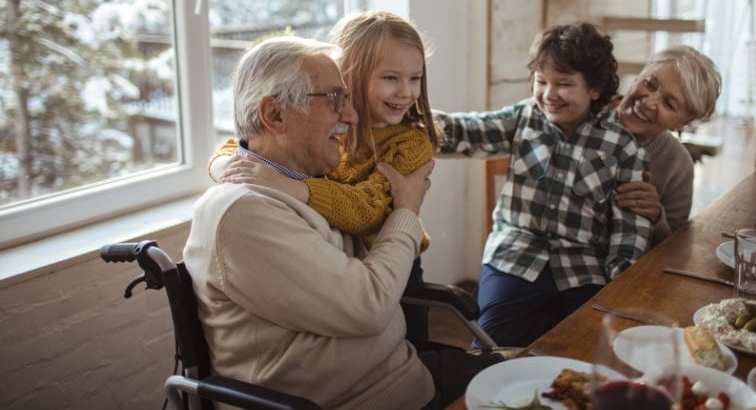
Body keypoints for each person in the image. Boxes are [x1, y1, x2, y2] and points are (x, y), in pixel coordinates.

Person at [184, 36, 497, 409]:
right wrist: (407, 209)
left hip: (401, 373)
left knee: (541, 375)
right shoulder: (243, 213)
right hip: (374, 397)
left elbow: (242, 147)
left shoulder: (302, 177)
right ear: (276, 115)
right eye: (335, 100)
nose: (351, 115)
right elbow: (369, 306)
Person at [209, 10, 439, 341]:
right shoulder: (329, 130)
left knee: (411, 347)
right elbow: (238, 146)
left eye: (415, 79)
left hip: (395, 266)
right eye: (391, 78)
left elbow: (367, 211)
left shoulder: (408, 145)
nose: (405, 92)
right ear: (352, 79)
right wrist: (226, 169)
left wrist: (293, 186)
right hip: (346, 265)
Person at [435, 22, 652, 348]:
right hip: (515, 255)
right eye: (541, 81)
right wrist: (417, 118)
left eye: (564, 84)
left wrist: (619, 285)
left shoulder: (622, 145)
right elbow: (468, 131)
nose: (549, 95)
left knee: (591, 348)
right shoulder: (524, 117)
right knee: (487, 350)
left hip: (584, 266)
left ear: (594, 89)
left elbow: (629, 232)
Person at [613, 45, 722, 244]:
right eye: (650, 84)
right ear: (639, 75)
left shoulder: (678, 165)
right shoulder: (581, 114)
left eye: (669, 104)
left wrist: (656, 217)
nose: (648, 102)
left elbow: (674, 249)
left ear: (682, 124)